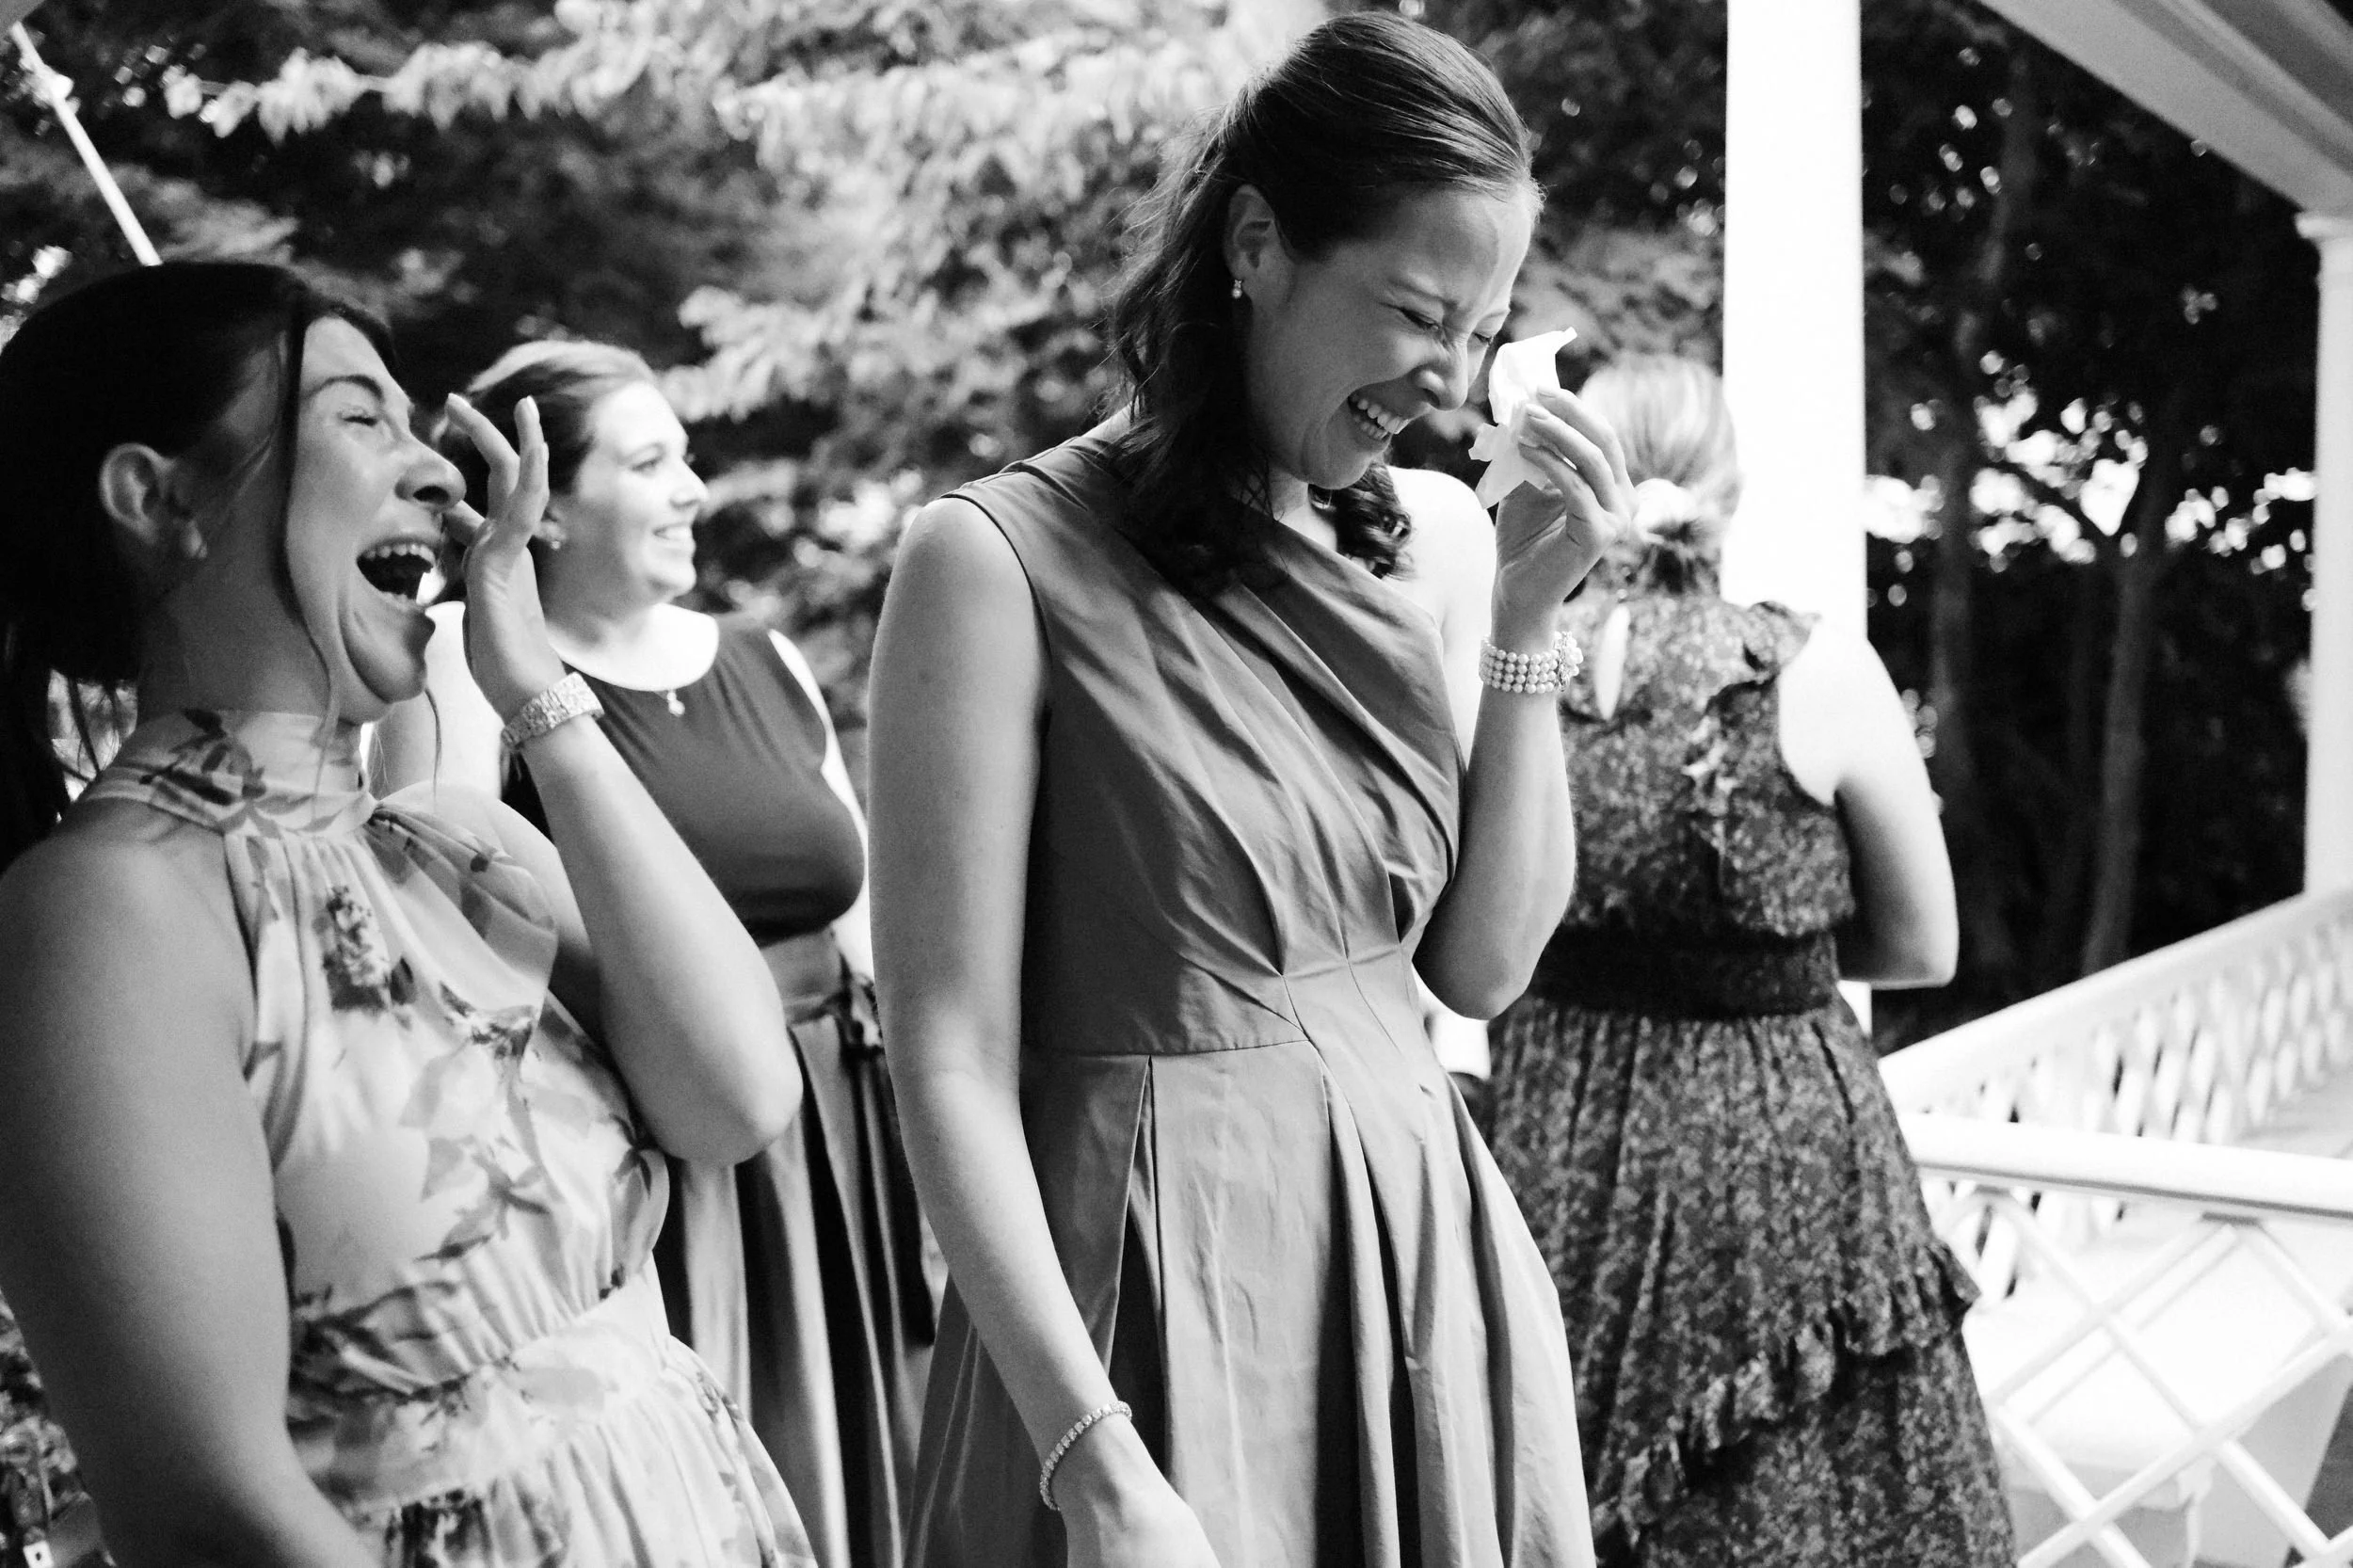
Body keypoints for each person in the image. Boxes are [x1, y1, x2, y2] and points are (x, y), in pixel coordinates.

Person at [867, 14, 1624, 1567]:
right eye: (1416, 312)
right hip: (1143, 1303)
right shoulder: (993, 561)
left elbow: (1483, 967)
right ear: (1259, 245)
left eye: (1482, 331)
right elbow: (944, 1057)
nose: (1449, 378)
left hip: (1417, 1269)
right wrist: (1095, 1465)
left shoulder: (1429, 543)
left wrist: (1529, 624)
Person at [0, 260, 815, 1567]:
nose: (441, 470)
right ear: (158, 499)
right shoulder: (108, 912)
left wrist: (535, 685)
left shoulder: (456, 843)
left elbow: (740, 1094)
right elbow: (203, 1501)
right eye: (359, 417)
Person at [375, 341, 932, 1568]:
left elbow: (870, 933)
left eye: (688, 457)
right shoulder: (460, 664)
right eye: (649, 463)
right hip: (649, 1141)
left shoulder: (765, 657)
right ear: (545, 503)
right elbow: (442, 939)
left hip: (842, 1141)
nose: (692, 490)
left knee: (879, 1475)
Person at [1479, 355, 2013, 1567]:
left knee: (1551, 1467)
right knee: (1798, 1498)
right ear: (1729, 489)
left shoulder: (1511, 663)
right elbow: (1923, 945)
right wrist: (1765, 953)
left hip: (1556, 1130)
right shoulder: (1818, 671)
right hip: (1773, 1145)